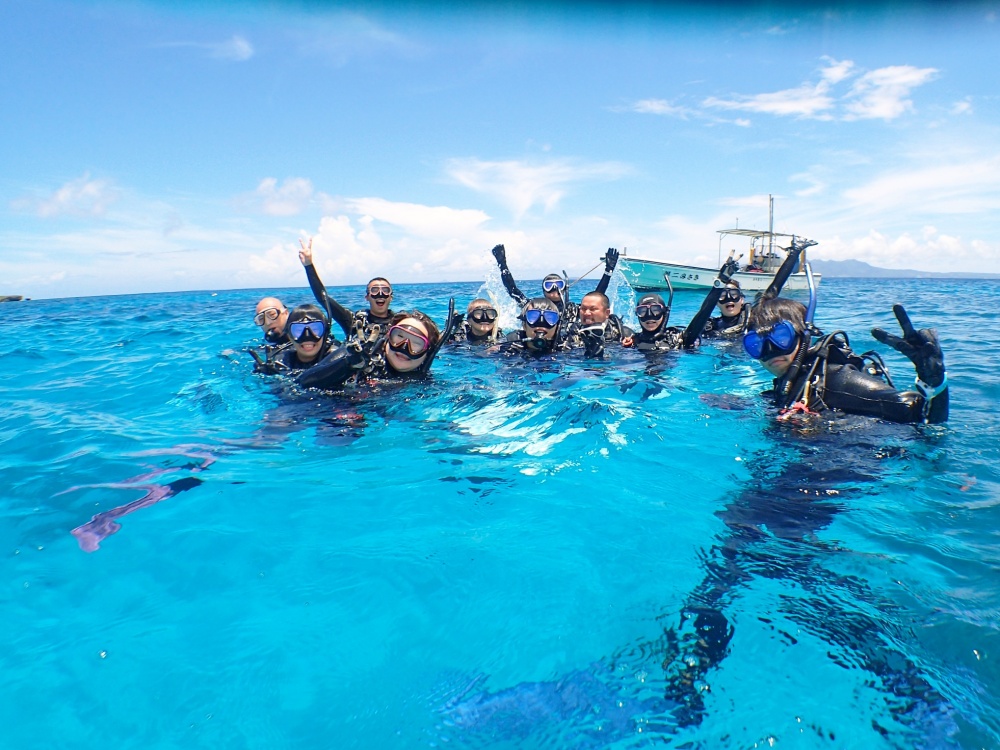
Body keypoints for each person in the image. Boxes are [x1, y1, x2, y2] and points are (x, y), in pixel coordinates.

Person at [744, 298, 948, 423]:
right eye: (756, 344)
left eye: (781, 338)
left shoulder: (837, 380)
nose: (770, 351)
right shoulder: (791, 383)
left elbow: (917, 412)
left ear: (804, 336)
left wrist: (934, 383)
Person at [297, 306, 455, 390]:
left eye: (416, 344)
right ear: (387, 338)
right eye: (398, 337)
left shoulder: (424, 383)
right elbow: (302, 382)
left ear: (427, 352)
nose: (403, 348)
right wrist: (347, 365)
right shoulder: (358, 355)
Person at [297, 237, 395, 346]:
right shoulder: (353, 321)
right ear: (367, 297)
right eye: (375, 290)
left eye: (385, 290)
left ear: (391, 297)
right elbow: (323, 298)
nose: (380, 294)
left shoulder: (400, 323)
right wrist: (308, 265)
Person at [490, 243, 620, 323]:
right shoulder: (534, 307)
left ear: (564, 288)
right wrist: (502, 264)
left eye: (558, 285)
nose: (554, 289)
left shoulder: (573, 310)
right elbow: (513, 291)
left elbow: (596, 297)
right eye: (549, 285)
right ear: (543, 290)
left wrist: (608, 271)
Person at [252, 304, 336, 374]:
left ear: (325, 332)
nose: (307, 336)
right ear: (289, 335)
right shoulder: (282, 362)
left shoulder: (337, 357)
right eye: (298, 330)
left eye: (315, 329)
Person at [561, 291, 633, 357]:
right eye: (583, 308)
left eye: (593, 309)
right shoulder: (570, 333)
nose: (586, 313)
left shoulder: (625, 335)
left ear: (607, 313)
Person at [495, 297, 569, 358]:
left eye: (549, 318)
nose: (541, 322)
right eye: (533, 317)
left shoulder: (565, 348)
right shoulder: (509, 345)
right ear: (524, 325)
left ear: (557, 326)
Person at [621, 293, 686, 351]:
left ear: (665, 313)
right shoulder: (632, 342)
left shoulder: (678, 339)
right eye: (643, 311)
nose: (649, 315)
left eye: (655, 310)